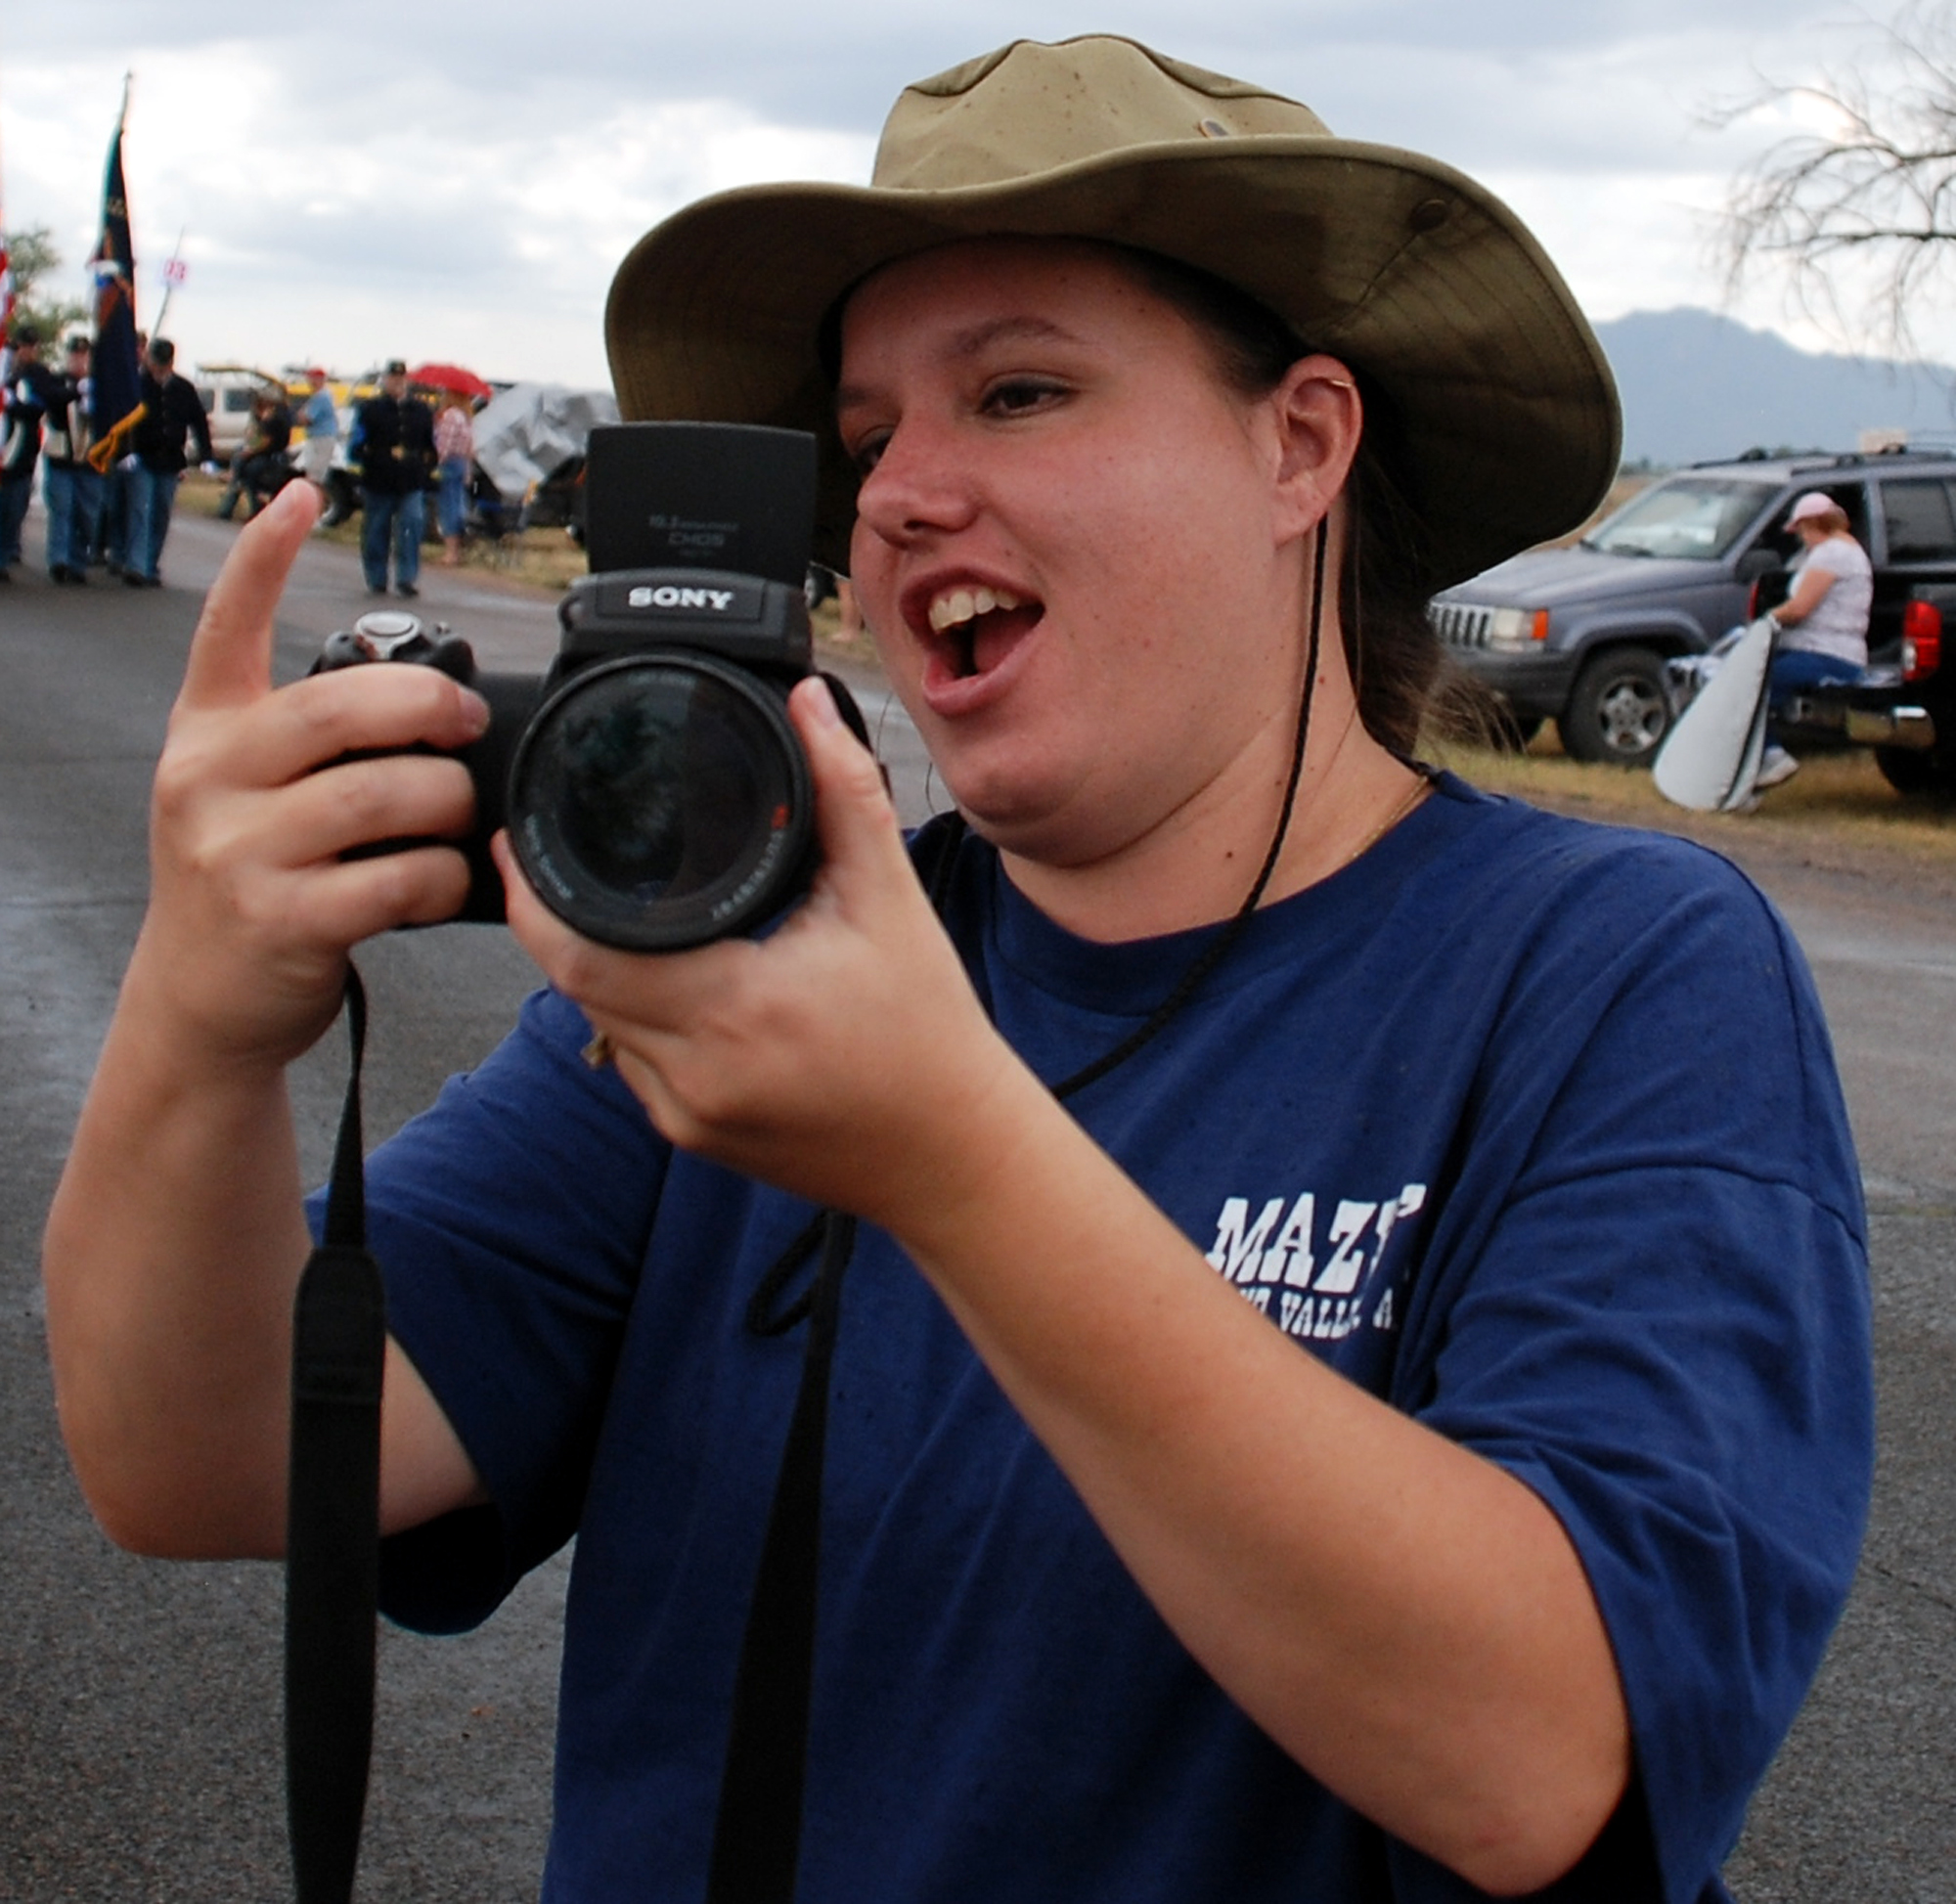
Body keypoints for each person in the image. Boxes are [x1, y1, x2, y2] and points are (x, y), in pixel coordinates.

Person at [43, 36, 1871, 1904]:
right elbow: (201, 1454)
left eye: (1017, 391)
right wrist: (200, 1017)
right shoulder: (749, 959)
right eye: (866, 442)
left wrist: (949, 1160)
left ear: (1302, 444)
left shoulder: (1608, 972)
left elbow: (1545, 1755)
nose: (901, 494)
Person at [1756, 490, 1875, 790]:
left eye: (1802, 531)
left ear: (1812, 523)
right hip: (1840, 652)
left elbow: (1799, 609)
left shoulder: (1830, 554)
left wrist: (1768, 620)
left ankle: (1770, 755)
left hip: (1825, 653)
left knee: (1757, 684)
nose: (1802, 538)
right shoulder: (1851, 551)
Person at [121, 336, 216, 588]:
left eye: (164, 364)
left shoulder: (183, 388)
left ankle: (150, 565)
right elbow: (122, 420)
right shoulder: (137, 385)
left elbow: (199, 421)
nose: (159, 369)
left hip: (170, 461)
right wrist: (124, 451)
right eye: (156, 363)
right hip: (142, 457)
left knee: (161, 514)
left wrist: (207, 456)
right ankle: (136, 566)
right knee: (140, 511)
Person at [352, 359, 435, 596]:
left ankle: (406, 578)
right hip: (379, 478)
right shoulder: (370, 409)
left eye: (401, 378)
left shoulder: (421, 410)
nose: (398, 382)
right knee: (376, 530)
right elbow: (357, 445)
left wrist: (426, 467)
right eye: (393, 378)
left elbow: (429, 445)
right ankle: (376, 578)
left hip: (411, 478)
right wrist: (371, 459)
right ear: (385, 380)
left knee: (411, 525)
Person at [42, 334, 104, 583]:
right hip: (61, 457)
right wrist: (75, 393)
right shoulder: (57, 380)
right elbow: (51, 398)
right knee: (62, 510)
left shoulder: (101, 386)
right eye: (75, 355)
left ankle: (78, 562)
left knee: (87, 514)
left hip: (90, 461)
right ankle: (59, 561)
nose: (79, 360)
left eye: (84, 355)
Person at [0, 323, 58, 579]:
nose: (28, 351)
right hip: (4, 442)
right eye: (24, 346)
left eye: (32, 346)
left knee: (14, 507)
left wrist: (14, 404)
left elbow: (41, 405)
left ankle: (3, 557)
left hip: (23, 449)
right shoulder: (6, 370)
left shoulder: (40, 374)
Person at [215, 388, 293, 522]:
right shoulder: (281, 414)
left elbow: (265, 442)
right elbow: (254, 437)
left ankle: (235, 489)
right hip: (269, 453)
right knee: (241, 458)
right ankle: (235, 482)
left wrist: (250, 451)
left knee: (249, 470)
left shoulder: (273, 418)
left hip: (271, 456)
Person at [432, 389, 473, 565]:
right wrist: (468, 471)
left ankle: (450, 553)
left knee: (447, 507)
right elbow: (470, 447)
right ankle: (457, 551)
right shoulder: (466, 418)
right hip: (461, 463)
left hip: (448, 464)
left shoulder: (450, 416)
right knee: (458, 506)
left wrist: (436, 463)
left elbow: (444, 445)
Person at [294, 366, 338, 492]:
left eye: (311, 378)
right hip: (318, 438)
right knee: (313, 473)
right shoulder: (323, 395)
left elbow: (306, 419)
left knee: (315, 476)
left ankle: (314, 500)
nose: (309, 382)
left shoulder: (321, 396)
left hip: (321, 438)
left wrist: (301, 414)